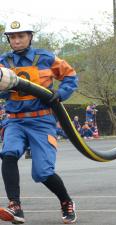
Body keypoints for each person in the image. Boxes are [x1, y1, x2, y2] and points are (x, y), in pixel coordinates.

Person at [0, 19, 78, 224]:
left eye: (21, 36)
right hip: (14, 121)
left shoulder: (46, 58)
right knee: (8, 154)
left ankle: (66, 201)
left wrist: (59, 94)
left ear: (30, 37)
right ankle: (15, 206)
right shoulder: (3, 62)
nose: (16, 40)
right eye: (12, 37)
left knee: (43, 172)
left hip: (41, 120)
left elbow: (70, 75)